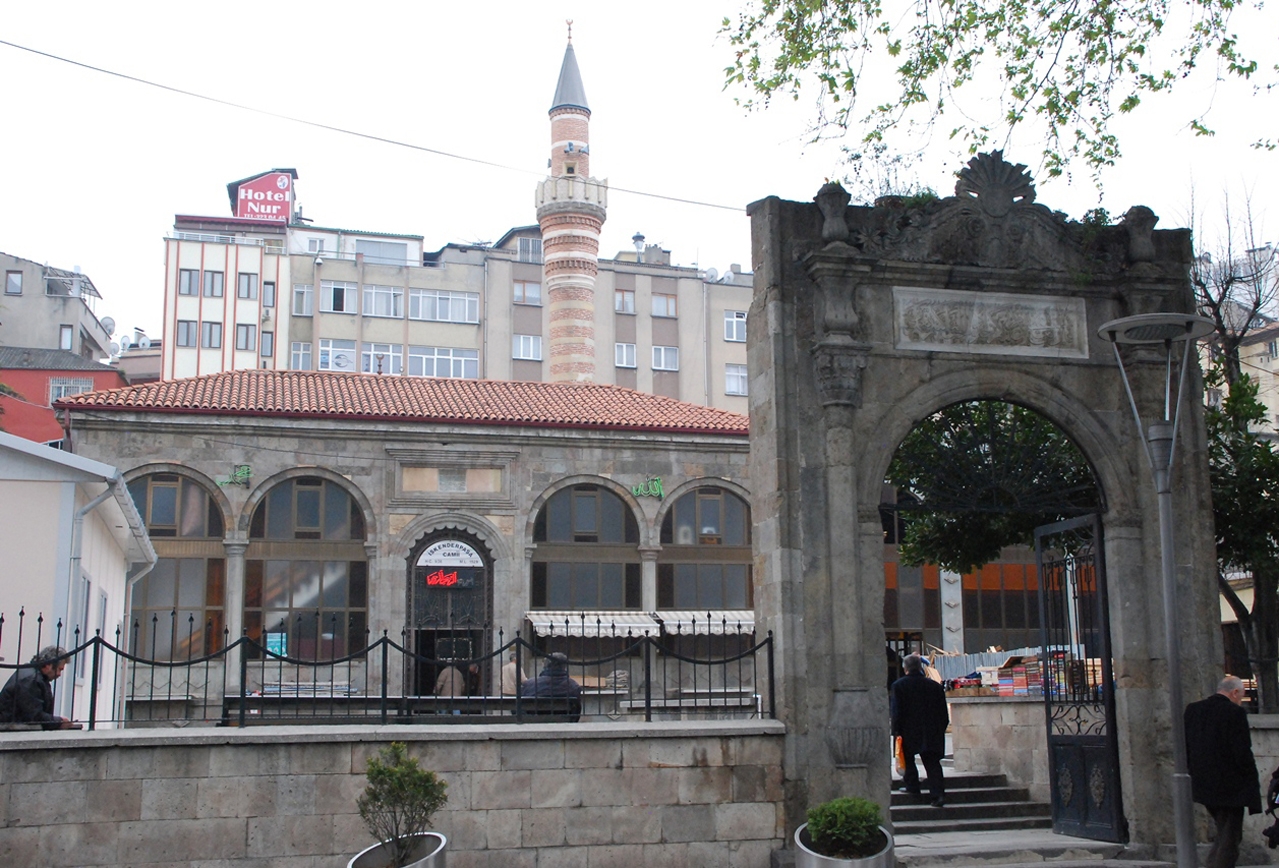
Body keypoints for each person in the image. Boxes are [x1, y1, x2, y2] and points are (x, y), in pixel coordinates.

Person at [1185, 675, 1261, 868]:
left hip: (1203, 783)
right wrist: (1250, 782)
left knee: (1225, 832)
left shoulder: (1194, 710)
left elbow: (1186, 746)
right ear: (1234, 692)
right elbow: (1242, 752)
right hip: (1230, 787)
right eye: (1241, 696)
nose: (1240, 700)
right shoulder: (1234, 713)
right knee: (1230, 838)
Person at [891, 652, 949, 807]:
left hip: (908, 730)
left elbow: (896, 712)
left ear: (905, 669)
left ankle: (912, 786)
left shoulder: (899, 686)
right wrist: (940, 729)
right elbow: (944, 713)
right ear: (920, 667)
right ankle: (938, 795)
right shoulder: (935, 686)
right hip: (931, 731)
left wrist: (896, 731)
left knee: (908, 759)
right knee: (932, 763)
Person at [0, 646, 73, 730]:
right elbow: (34, 716)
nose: (59, 674)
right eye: (59, 669)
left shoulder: (33, 676)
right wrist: (59, 722)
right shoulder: (31, 680)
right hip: (12, 728)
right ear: (48, 665)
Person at [519, 652, 582, 720]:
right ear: (564, 666)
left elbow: (518, 707)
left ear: (545, 666)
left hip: (534, 722)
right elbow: (576, 710)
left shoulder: (529, 684)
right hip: (562, 721)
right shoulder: (573, 686)